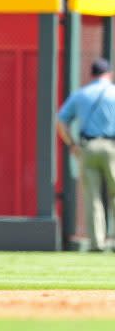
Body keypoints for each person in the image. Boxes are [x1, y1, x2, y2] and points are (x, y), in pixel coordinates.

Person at [57, 57, 115, 252]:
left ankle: (97, 243)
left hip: (88, 147)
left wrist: (72, 144)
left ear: (92, 75)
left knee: (93, 197)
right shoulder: (113, 92)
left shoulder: (81, 94)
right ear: (109, 74)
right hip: (112, 146)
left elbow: (61, 121)